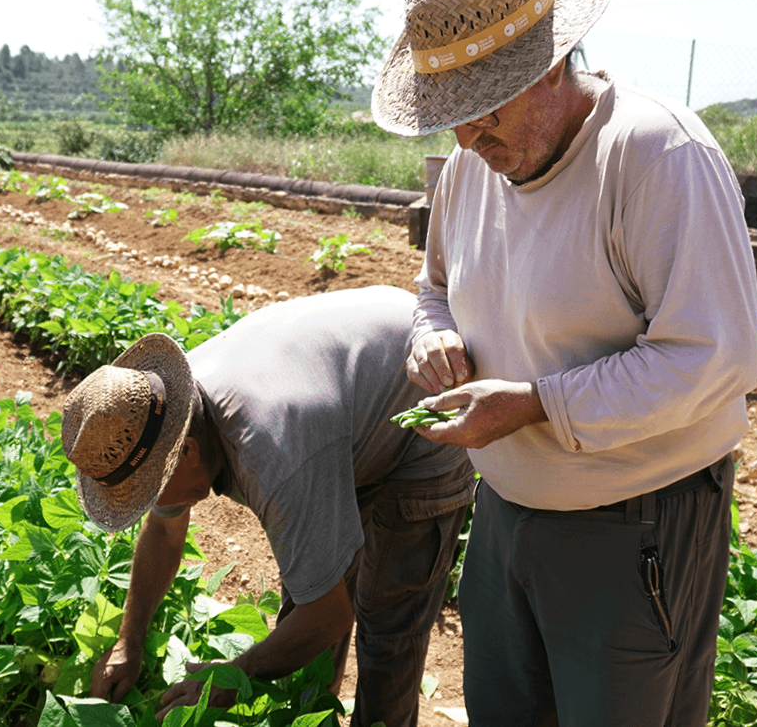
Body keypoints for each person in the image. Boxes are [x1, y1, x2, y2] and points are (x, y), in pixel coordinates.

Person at [371, 0, 757, 726]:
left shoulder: (653, 154)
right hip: (507, 514)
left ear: (549, 68)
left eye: (481, 112)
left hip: (636, 523)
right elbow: (434, 292)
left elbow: (715, 356)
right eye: (450, 120)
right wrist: (430, 336)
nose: (467, 141)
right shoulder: (471, 173)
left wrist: (537, 404)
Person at [60, 285, 475, 726]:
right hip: (346, 411)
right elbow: (164, 531)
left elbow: (328, 615)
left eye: (150, 491)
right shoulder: (166, 413)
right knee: (308, 600)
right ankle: (313, 714)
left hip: (425, 403)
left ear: (187, 454)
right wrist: (131, 639)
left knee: (388, 625)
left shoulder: (273, 455)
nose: (151, 505)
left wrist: (235, 674)